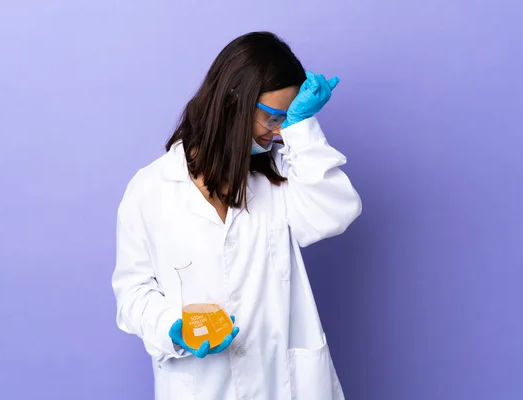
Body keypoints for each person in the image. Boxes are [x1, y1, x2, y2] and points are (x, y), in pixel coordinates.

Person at [112, 31, 362, 400]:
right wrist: (171, 327)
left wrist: (302, 130)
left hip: (285, 385)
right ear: (234, 101)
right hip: (203, 385)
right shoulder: (151, 189)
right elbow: (133, 292)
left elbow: (334, 215)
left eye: (287, 121)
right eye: (274, 118)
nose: (279, 133)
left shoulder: (281, 176)